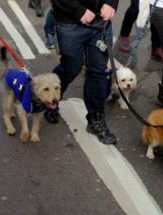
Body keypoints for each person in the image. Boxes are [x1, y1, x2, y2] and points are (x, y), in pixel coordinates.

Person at [47, 0, 119, 145]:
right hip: (69, 22)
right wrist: (78, 11)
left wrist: (111, 3)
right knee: (71, 67)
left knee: (99, 71)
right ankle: (51, 99)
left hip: (101, 22)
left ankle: (95, 119)